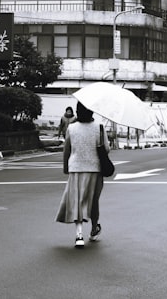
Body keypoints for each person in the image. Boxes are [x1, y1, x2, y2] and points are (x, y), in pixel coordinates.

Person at [55, 102, 105, 247]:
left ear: (77, 111)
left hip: (76, 168)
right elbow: (106, 149)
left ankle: (79, 235)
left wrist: (66, 167)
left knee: (78, 201)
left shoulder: (71, 128)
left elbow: (67, 150)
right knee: (93, 201)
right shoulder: (99, 127)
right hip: (95, 169)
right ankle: (94, 229)